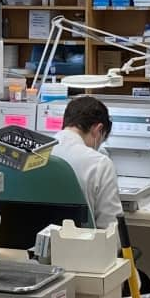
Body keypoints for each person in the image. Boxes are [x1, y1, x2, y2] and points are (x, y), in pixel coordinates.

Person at [51, 95, 122, 229]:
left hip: (30, 247)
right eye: (101, 139)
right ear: (98, 129)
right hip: (81, 247)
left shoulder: (34, 152)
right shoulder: (100, 164)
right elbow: (111, 230)